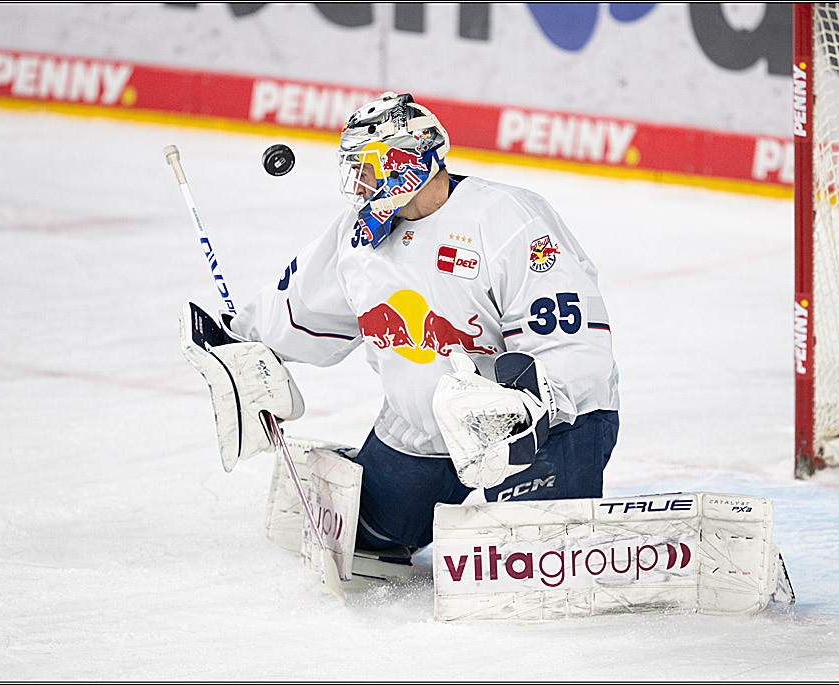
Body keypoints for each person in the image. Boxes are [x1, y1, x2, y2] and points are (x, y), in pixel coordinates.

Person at [224, 92, 620, 557]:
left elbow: (571, 342)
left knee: (533, 553)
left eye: (367, 167)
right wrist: (236, 339)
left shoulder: (507, 219)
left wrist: (523, 411)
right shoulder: (358, 237)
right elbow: (300, 309)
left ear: (406, 161)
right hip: (422, 429)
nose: (358, 183)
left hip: (540, 428)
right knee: (366, 540)